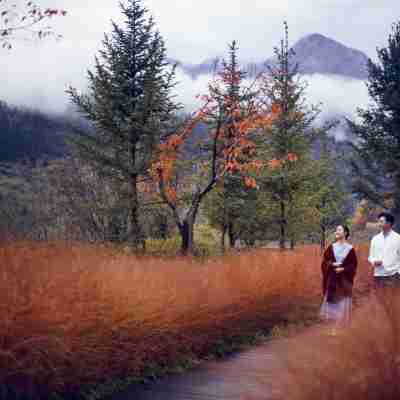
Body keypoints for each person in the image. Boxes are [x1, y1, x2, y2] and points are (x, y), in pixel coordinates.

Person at [320, 225, 358, 328]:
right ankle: (332, 329)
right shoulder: (331, 247)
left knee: (342, 304)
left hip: (344, 281)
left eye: (339, 230)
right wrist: (331, 264)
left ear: (345, 233)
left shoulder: (350, 249)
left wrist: (343, 269)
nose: (336, 231)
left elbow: (353, 265)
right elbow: (324, 262)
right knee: (332, 305)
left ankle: (340, 329)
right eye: (336, 229)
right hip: (332, 280)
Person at [368, 212, 400, 288]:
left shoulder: (398, 238)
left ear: (389, 223)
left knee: (392, 298)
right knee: (379, 298)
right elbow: (371, 256)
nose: (379, 223)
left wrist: (398, 272)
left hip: (393, 275)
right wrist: (374, 261)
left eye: (381, 221)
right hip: (378, 274)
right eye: (379, 221)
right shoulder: (375, 239)